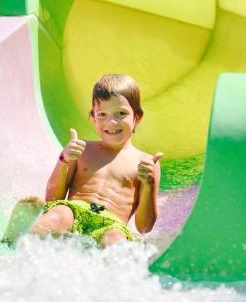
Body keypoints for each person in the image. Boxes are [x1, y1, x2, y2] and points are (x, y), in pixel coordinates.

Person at [25, 74, 162, 247]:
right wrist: (64, 160)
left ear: (137, 117)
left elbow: (144, 227)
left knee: (115, 242)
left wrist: (148, 184)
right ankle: (27, 238)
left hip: (112, 224)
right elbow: (52, 200)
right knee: (57, 215)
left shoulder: (146, 163)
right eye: (102, 114)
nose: (111, 122)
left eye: (121, 113)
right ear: (93, 117)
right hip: (73, 211)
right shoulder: (81, 149)